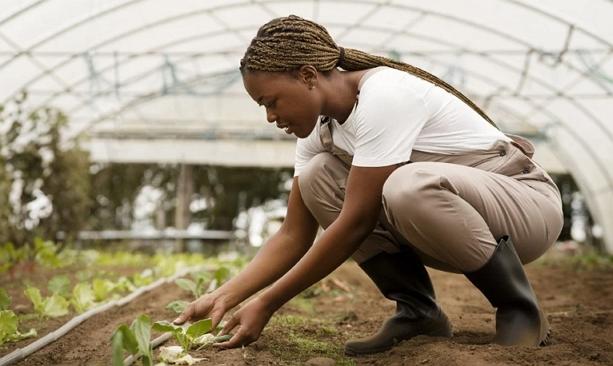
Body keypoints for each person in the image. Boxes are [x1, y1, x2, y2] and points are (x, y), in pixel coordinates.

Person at [174, 15, 564, 355]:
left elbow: (355, 222)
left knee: (406, 186)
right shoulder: (319, 131)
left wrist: (269, 302)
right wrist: (224, 296)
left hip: (524, 207)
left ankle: (518, 307)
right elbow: (294, 234)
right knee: (317, 177)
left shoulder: (386, 96)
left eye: (271, 101)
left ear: (308, 76)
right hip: (453, 224)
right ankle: (418, 312)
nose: (271, 116)